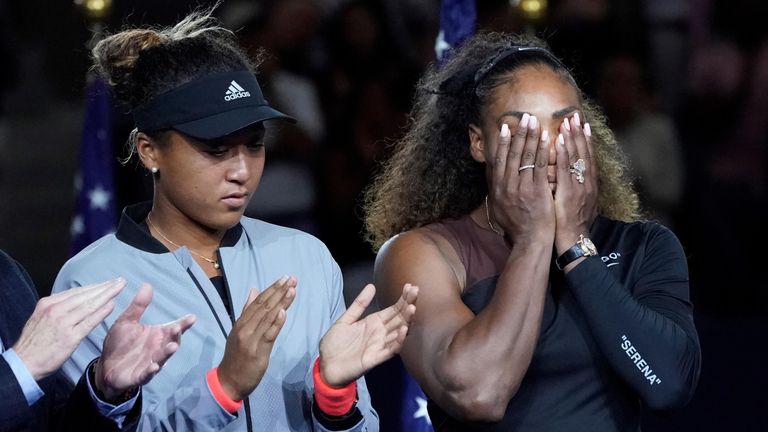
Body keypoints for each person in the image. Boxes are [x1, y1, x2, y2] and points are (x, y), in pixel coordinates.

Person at [51, 9, 418, 432]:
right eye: (216, 149)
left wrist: (335, 399)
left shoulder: (306, 257)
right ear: (150, 151)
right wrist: (223, 389)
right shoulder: (89, 283)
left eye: (255, 145)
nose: (242, 171)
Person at [364, 32, 701, 431]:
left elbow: (668, 387)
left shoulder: (644, 245)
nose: (547, 146)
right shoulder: (422, 252)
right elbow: (478, 395)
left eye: (565, 124)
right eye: (522, 128)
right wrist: (533, 238)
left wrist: (575, 247)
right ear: (478, 142)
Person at [0, 249, 196, 431]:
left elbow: (50, 420)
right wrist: (22, 367)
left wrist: (104, 390)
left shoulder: (7, 272)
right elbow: (25, 369)